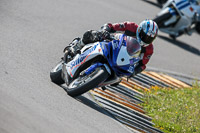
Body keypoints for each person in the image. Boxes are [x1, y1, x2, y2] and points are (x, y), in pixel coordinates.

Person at [64, 19, 158, 76]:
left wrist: (134, 72)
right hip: (113, 44)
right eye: (145, 35)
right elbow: (111, 26)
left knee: (117, 80)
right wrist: (105, 30)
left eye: (150, 38)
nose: (146, 39)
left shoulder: (149, 49)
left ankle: (97, 79)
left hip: (123, 60)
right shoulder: (131, 26)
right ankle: (77, 46)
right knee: (92, 34)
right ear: (140, 29)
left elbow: (142, 64)